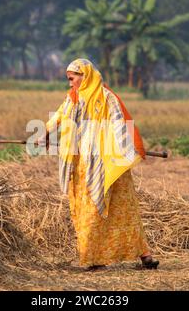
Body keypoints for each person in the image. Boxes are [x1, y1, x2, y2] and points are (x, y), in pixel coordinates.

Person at [44, 58, 159, 271]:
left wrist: (123, 148)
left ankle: (145, 255)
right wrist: (46, 131)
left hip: (109, 165)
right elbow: (60, 115)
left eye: (72, 78)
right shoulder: (73, 98)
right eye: (68, 79)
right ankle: (93, 259)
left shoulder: (106, 97)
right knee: (90, 212)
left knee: (125, 210)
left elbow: (118, 124)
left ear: (84, 75)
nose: (70, 83)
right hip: (82, 165)